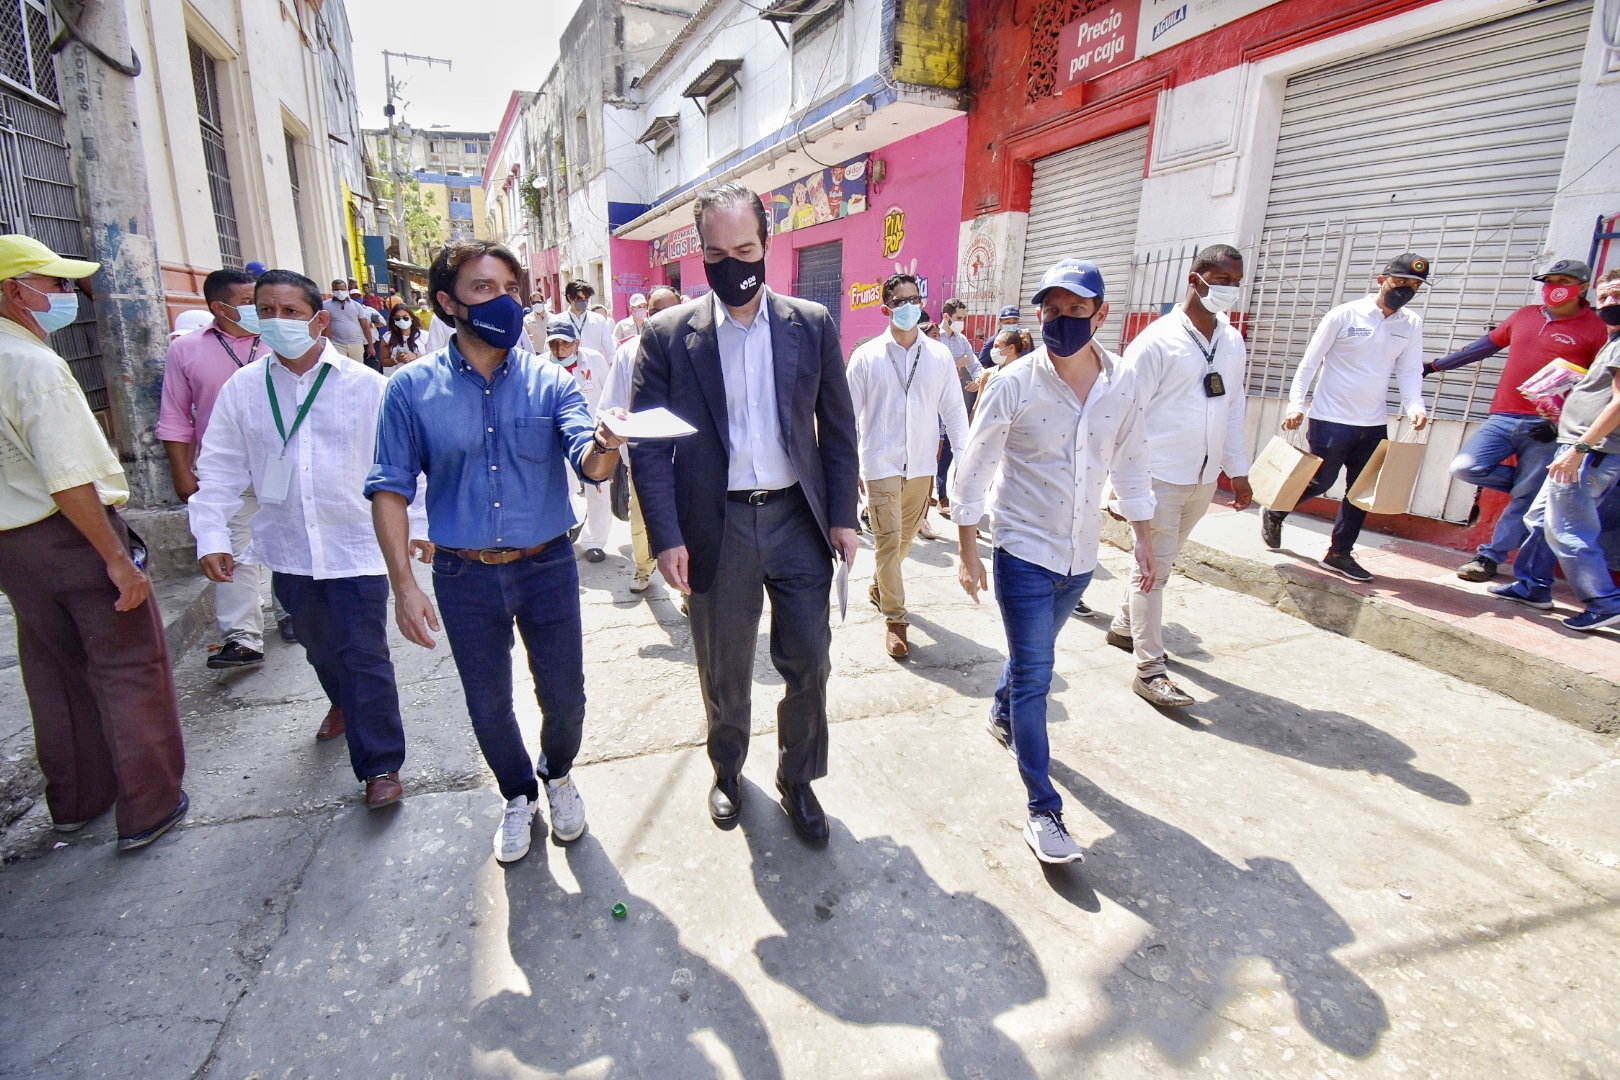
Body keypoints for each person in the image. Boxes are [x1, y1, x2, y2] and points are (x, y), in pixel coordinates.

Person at [368, 239, 628, 864]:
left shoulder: (550, 381)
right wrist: (403, 585)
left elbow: (588, 463)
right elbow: (389, 489)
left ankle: (558, 775)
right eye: (484, 289)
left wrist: (609, 441)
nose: (503, 303)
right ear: (446, 302)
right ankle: (517, 795)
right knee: (487, 702)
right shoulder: (409, 390)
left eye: (511, 290)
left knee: (564, 695)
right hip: (463, 574)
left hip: (547, 566)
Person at [629, 181, 858, 843]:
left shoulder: (810, 326)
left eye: (747, 248)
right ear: (701, 254)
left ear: (768, 245)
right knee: (724, 670)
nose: (734, 264)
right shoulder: (669, 337)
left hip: (796, 522)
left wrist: (842, 515)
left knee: (810, 661)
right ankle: (727, 771)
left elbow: (837, 430)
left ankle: (798, 777)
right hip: (716, 527)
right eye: (718, 252)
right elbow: (648, 448)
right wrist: (666, 534)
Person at [951, 258, 1155, 865]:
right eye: (1051, 308)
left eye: (1074, 309)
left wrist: (1143, 538)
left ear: (1100, 313)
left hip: (1082, 558)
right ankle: (1045, 810)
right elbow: (974, 467)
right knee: (1038, 674)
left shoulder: (1122, 383)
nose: (1059, 320)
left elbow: (1132, 464)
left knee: (1025, 665)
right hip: (1023, 552)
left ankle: (998, 709)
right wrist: (967, 551)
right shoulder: (1014, 382)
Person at [189, 269, 417, 809]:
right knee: (318, 646)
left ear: (318, 320)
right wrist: (211, 535)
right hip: (288, 546)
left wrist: (420, 530)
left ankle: (380, 763)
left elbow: (404, 463)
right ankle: (343, 702)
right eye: (265, 310)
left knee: (364, 652)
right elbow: (218, 468)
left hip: (356, 543)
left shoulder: (367, 386)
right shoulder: (243, 390)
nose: (276, 321)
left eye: (290, 312)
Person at [0, 234, 187, 850]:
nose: (67, 295)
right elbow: (69, 478)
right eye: (54, 284)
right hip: (71, 536)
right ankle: (148, 805)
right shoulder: (34, 368)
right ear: (14, 291)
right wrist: (115, 558)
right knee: (130, 666)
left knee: (52, 671)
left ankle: (77, 799)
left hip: (14, 548)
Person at [1108, 245, 1253, 706]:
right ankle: (1150, 669)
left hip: (1204, 478)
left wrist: (1239, 470)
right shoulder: (1157, 341)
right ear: (1196, 279)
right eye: (1221, 279)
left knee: (1160, 564)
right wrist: (1119, 483)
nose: (1229, 289)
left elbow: (1233, 408)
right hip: (1159, 475)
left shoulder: (1231, 342)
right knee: (1152, 569)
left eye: (1236, 281)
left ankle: (1123, 627)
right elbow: (1123, 413)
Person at [1430, 259, 1610, 582]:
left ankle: (1489, 558)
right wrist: (1435, 366)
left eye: (1563, 280)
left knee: (1527, 497)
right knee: (1466, 466)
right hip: (1503, 415)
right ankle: (1528, 485)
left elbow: (1601, 386)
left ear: (1582, 288)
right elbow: (1485, 347)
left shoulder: (1596, 327)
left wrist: (1562, 425)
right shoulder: (1525, 315)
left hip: (1549, 429)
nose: (1553, 287)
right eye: (1549, 280)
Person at [1262, 254, 1432, 582]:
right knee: (1322, 480)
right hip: (1331, 418)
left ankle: (1339, 553)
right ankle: (1277, 509)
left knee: (1361, 490)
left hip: (1373, 423)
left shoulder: (1410, 323)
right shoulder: (1344, 314)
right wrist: (1296, 405)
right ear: (1382, 279)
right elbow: (1309, 364)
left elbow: (1409, 369)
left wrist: (1415, 406)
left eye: (1415, 286)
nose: (1407, 290)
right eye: (1401, 282)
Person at [158, 267, 294, 665]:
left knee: (287, 533)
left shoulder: (279, 340)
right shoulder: (186, 350)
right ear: (219, 307)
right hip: (227, 466)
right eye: (249, 303)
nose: (260, 310)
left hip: (281, 461)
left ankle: (292, 612)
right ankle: (243, 636)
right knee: (235, 545)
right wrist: (182, 472)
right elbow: (174, 416)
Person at [845, 274, 970, 659]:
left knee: (904, 541)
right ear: (886, 309)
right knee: (886, 542)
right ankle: (896, 619)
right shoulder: (866, 358)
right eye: (901, 301)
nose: (910, 306)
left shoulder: (938, 355)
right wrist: (849, 470)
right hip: (879, 463)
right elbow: (847, 417)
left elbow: (952, 408)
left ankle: (882, 587)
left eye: (915, 299)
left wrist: (963, 460)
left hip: (920, 465)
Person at [1489, 269, 1620, 630]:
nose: (1610, 303)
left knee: (1569, 530)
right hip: (1576, 446)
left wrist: (1580, 447)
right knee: (1539, 519)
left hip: (1591, 452)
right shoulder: (1613, 338)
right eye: (1606, 296)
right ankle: (1533, 586)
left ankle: (1605, 601)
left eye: (1617, 295)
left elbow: (1618, 403)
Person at [600, 284, 681, 592]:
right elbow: (612, 405)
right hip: (644, 455)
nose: (663, 317)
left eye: (670, 309)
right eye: (656, 311)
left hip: (686, 457)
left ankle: (688, 589)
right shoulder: (629, 351)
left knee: (689, 522)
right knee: (640, 515)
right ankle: (642, 569)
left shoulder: (696, 347)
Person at [542, 314, 613, 563]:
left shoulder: (594, 360)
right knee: (564, 488)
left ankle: (595, 541)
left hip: (594, 439)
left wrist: (608, 436)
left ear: (577, 342)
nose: (560, 350)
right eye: (554, 344)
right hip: (557, 440)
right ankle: (569, 525)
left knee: (599, 489)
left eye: (565, 343)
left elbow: (609, 395)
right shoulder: (541, 367)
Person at [935, 298, 982, 520]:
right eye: (959, 318)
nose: (962, 322)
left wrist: (979, 379)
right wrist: (955, 363)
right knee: (933, 447)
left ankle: (943, 494)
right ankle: (929, 495)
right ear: (947, 316)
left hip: (955, 402)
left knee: (952, 448)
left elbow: (974, 363)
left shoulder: (962, 340)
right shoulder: (934, 337)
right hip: (933, 401)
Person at [322, 277, 372, 363]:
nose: (340, 292)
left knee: (357, 370)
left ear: (347, 290)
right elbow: (322, 325)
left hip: (357, 344)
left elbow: (365, 326)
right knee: (341, 368)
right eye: (337, 290)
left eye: (342, 289)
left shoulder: (356, 306)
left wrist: (371, 345)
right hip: (337, 344)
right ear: (333, 290)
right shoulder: (325, 305)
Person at [382, 305, 425, 374]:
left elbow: (433, 356)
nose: (402, 321)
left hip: (421, 373)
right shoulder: (388, 337)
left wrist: (416, 356)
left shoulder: (424, 335)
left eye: (405, 318)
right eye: (397, 318)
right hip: (401, 375)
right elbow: (384, 361)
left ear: (411, 317)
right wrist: (397, 360)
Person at [977, 305, 1021, 370]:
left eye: (1014, 322)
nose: (1011, 325)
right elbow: (981, 366)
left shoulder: (1024, 338)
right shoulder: (993, 342)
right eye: (1007, 322)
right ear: (1000, 322)